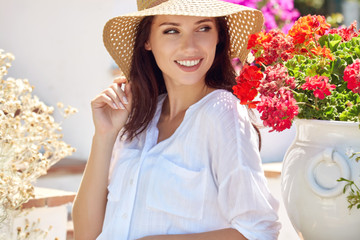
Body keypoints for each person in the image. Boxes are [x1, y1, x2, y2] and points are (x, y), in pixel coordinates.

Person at [72, 0, 281, 239]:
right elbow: (86, 234)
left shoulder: (222, 112)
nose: (189, 47)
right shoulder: (138, 120)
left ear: (218, 37)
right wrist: (104, 135)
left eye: (203, 28)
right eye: (171, 31)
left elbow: (259, 231)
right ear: (147, 40)